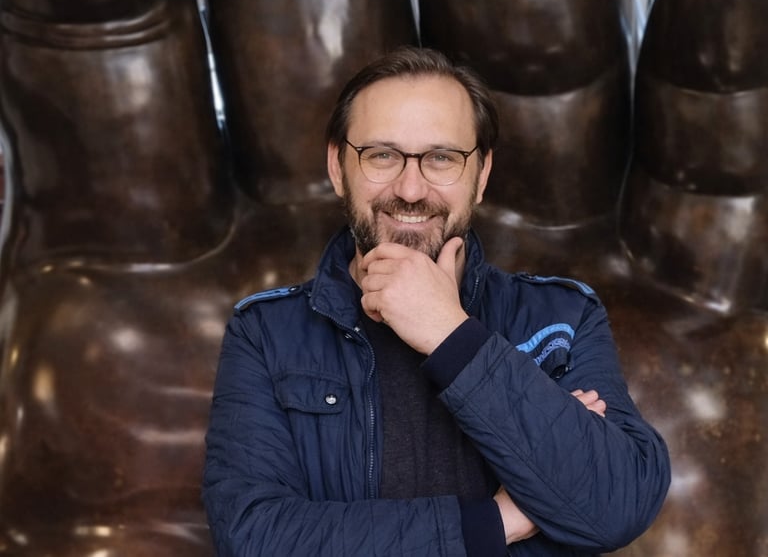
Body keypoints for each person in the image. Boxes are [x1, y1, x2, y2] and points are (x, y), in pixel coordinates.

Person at [202, 46, 670, 556]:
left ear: (481, 175)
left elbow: (615, 506)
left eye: (441, 158)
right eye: (382, 155)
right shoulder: (265, 333)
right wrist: (495, 522)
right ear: (338, 167)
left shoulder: (563, 318)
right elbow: (254, 538)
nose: (410, 189)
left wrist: (450, 333)